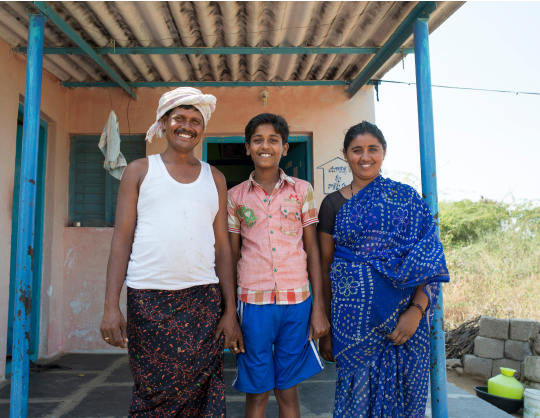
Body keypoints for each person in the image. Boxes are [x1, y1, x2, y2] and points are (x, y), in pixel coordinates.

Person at [99, 87, 243, 417]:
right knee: (153, 392)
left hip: (203, 301)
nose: (187, 126)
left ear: (202, 128)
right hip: (148, 300)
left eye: (195, 120)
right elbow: (121, 239)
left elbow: (223, 247)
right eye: (179, 118)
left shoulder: (215, 178)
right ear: (164, 122)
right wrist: (110, 306)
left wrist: (230, 310)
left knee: (201, 390)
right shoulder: (139, 171)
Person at [317, 121, 450, 417]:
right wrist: (326, 329)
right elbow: (326, 270)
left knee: (405, 394)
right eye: (357, 150)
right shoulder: (332, 203)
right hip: (352, 323)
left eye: (372, 149)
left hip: (406, 322)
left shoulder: (408, 199)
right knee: (357, 398)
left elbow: (429, 257)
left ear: (384, 152)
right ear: (346, 154)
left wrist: (416, 311)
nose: (365, 157)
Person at [227, 113, 330, 418]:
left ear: (285, 147)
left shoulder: (302, 190)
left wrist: (319, 307)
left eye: (273, 140)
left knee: (288, 391)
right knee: (257, 393)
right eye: (258, 140)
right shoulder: (235, 197)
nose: (265, 146)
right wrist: (229, 312)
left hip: (297, 301)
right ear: (247, 147)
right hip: (253, 302)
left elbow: (312, 248)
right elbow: (231, 256)